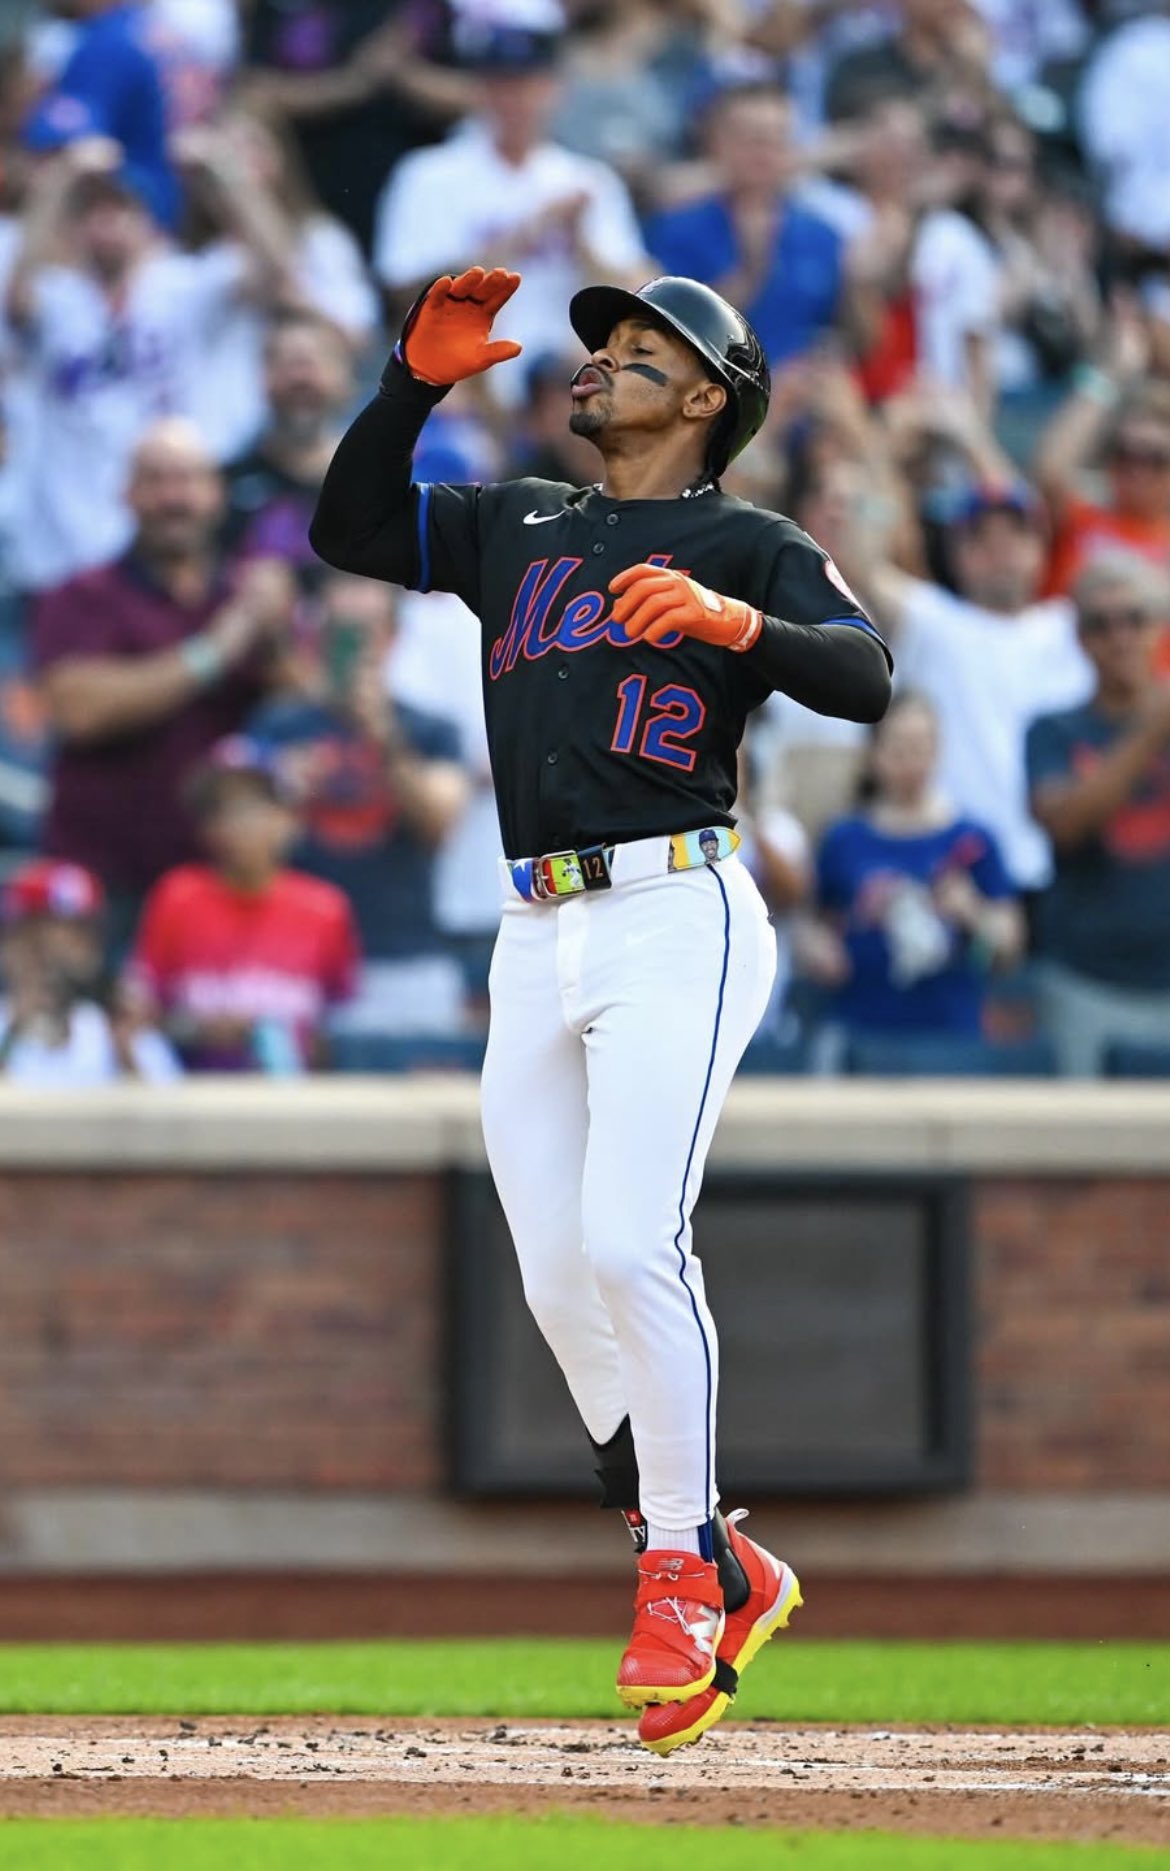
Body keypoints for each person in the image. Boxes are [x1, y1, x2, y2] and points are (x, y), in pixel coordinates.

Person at [309, 263, 891, 1753]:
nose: (598, 366)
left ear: (708, 397)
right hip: (533, 922)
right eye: (601, 348)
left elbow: (867, 676)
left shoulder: (744, 538)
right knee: (563, 1278)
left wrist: (730, 620)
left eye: (640, 353)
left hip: (673, 902)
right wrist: (411, 382)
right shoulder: (517, 521)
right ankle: (719, 1549)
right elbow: (350, 525)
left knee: (637, 1239)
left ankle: (679, 1569)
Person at [32, 419, 294, 949]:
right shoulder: (83, 596)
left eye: (189, 479)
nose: (174, 497)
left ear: (216, 494)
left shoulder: (248, 594)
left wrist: (278, 631)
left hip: (228, 888)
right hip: (106, 885)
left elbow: (304, 703)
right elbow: (78, 711)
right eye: (156, 480)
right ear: (126, 494)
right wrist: (219, 646)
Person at [3, 134, 291, 590]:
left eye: (120, 210)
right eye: (92, 212)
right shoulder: (58, 296)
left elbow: (277, 270)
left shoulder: (182, 286)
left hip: (164, 529)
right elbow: (16, 298)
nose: (106, 223)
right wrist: (61, 181)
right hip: (64, 536)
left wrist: (225, 174)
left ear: (148, 223)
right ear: (74, 228)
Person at [372, 27, 647, 405]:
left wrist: (581, 240)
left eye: (530, 85)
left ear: (554, 90)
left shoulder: (588, 179)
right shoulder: (428, 174)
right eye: (502, 85)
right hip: (463, 385)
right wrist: (526, 233)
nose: (517, 100)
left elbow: (634, 288)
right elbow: (403, 290)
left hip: (567, 378)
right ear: (479, 90)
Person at [841, 478, 1091, 891]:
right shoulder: (933, 620)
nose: (1000, 550)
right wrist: (870, 489)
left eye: (1016, 534)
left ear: (1041, 549)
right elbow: (860, 563)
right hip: (955, 870)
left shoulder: (1073, 628)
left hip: (1062, 864)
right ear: (956, 552)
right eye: (981, 538)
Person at [250, 572, 470, 1036]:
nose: (354, 648)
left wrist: (386, 737)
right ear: (319, 635)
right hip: (288, 962)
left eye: (365, 632)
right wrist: (277, 789)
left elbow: (440, 825)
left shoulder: (430, 729)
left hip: (401, 962)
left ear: (392, 638)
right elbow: (227, 836)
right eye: (341, 631)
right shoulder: (276, 727)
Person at [803, 689, 1022, 1044]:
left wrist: (972, 911)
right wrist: (818, 949)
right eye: (899, 749)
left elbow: (1009, 946)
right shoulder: (845, 837)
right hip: (862, 1028)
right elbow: (814, 923)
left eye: (921, 748)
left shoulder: (974, 839)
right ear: (874, 753)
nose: (911, 763)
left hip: (951, 1032)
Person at [128, 736, 359, 1072]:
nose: (236, 825)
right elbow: (142, 1012)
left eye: (252, 807)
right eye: (221, 810)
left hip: (293, 1100)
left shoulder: (326, 908)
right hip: (193, 1092)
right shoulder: (177, 896)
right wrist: (200, 1029)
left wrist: (280, 1035)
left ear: (288, 819)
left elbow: (341, 1025)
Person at [1026, 554, 1170, 1076]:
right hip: (1085, 983)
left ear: (1158, 629)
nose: (1121, 636)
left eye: (1135, 619)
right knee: (1082, 1153)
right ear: (1082, 640)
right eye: (1101, 624)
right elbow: (1065, 825)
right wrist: (1151, 729)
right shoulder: (1053, 730)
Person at [644, 84, 847, 371]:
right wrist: (749, 274)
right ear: (717, 145)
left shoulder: (822, 235)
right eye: (751, 139)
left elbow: (844, 334)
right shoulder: (677, 231)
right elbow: (665, 331)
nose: (764, 153)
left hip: (805, 398)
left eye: (777, 140)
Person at [0, 856, 180, 1085]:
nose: (57, 956)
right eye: (36, 940)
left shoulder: (121, 1024)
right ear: (11, 945)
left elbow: (171, 1113)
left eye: (79, 937)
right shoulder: (6, 1024)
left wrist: (124, 1053)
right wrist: (13, 1034)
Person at [223, 311, 355, 595]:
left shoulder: (378, 478)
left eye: (312, 364)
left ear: (344, 378)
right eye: (286, 365)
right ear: (263, 378)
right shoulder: (227, 484)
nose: (300, 379)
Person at [20, 0, 180, 229]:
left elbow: (69, 141)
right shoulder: (149, 27)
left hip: (133, 215)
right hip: (169, 205)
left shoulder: (107, 43)